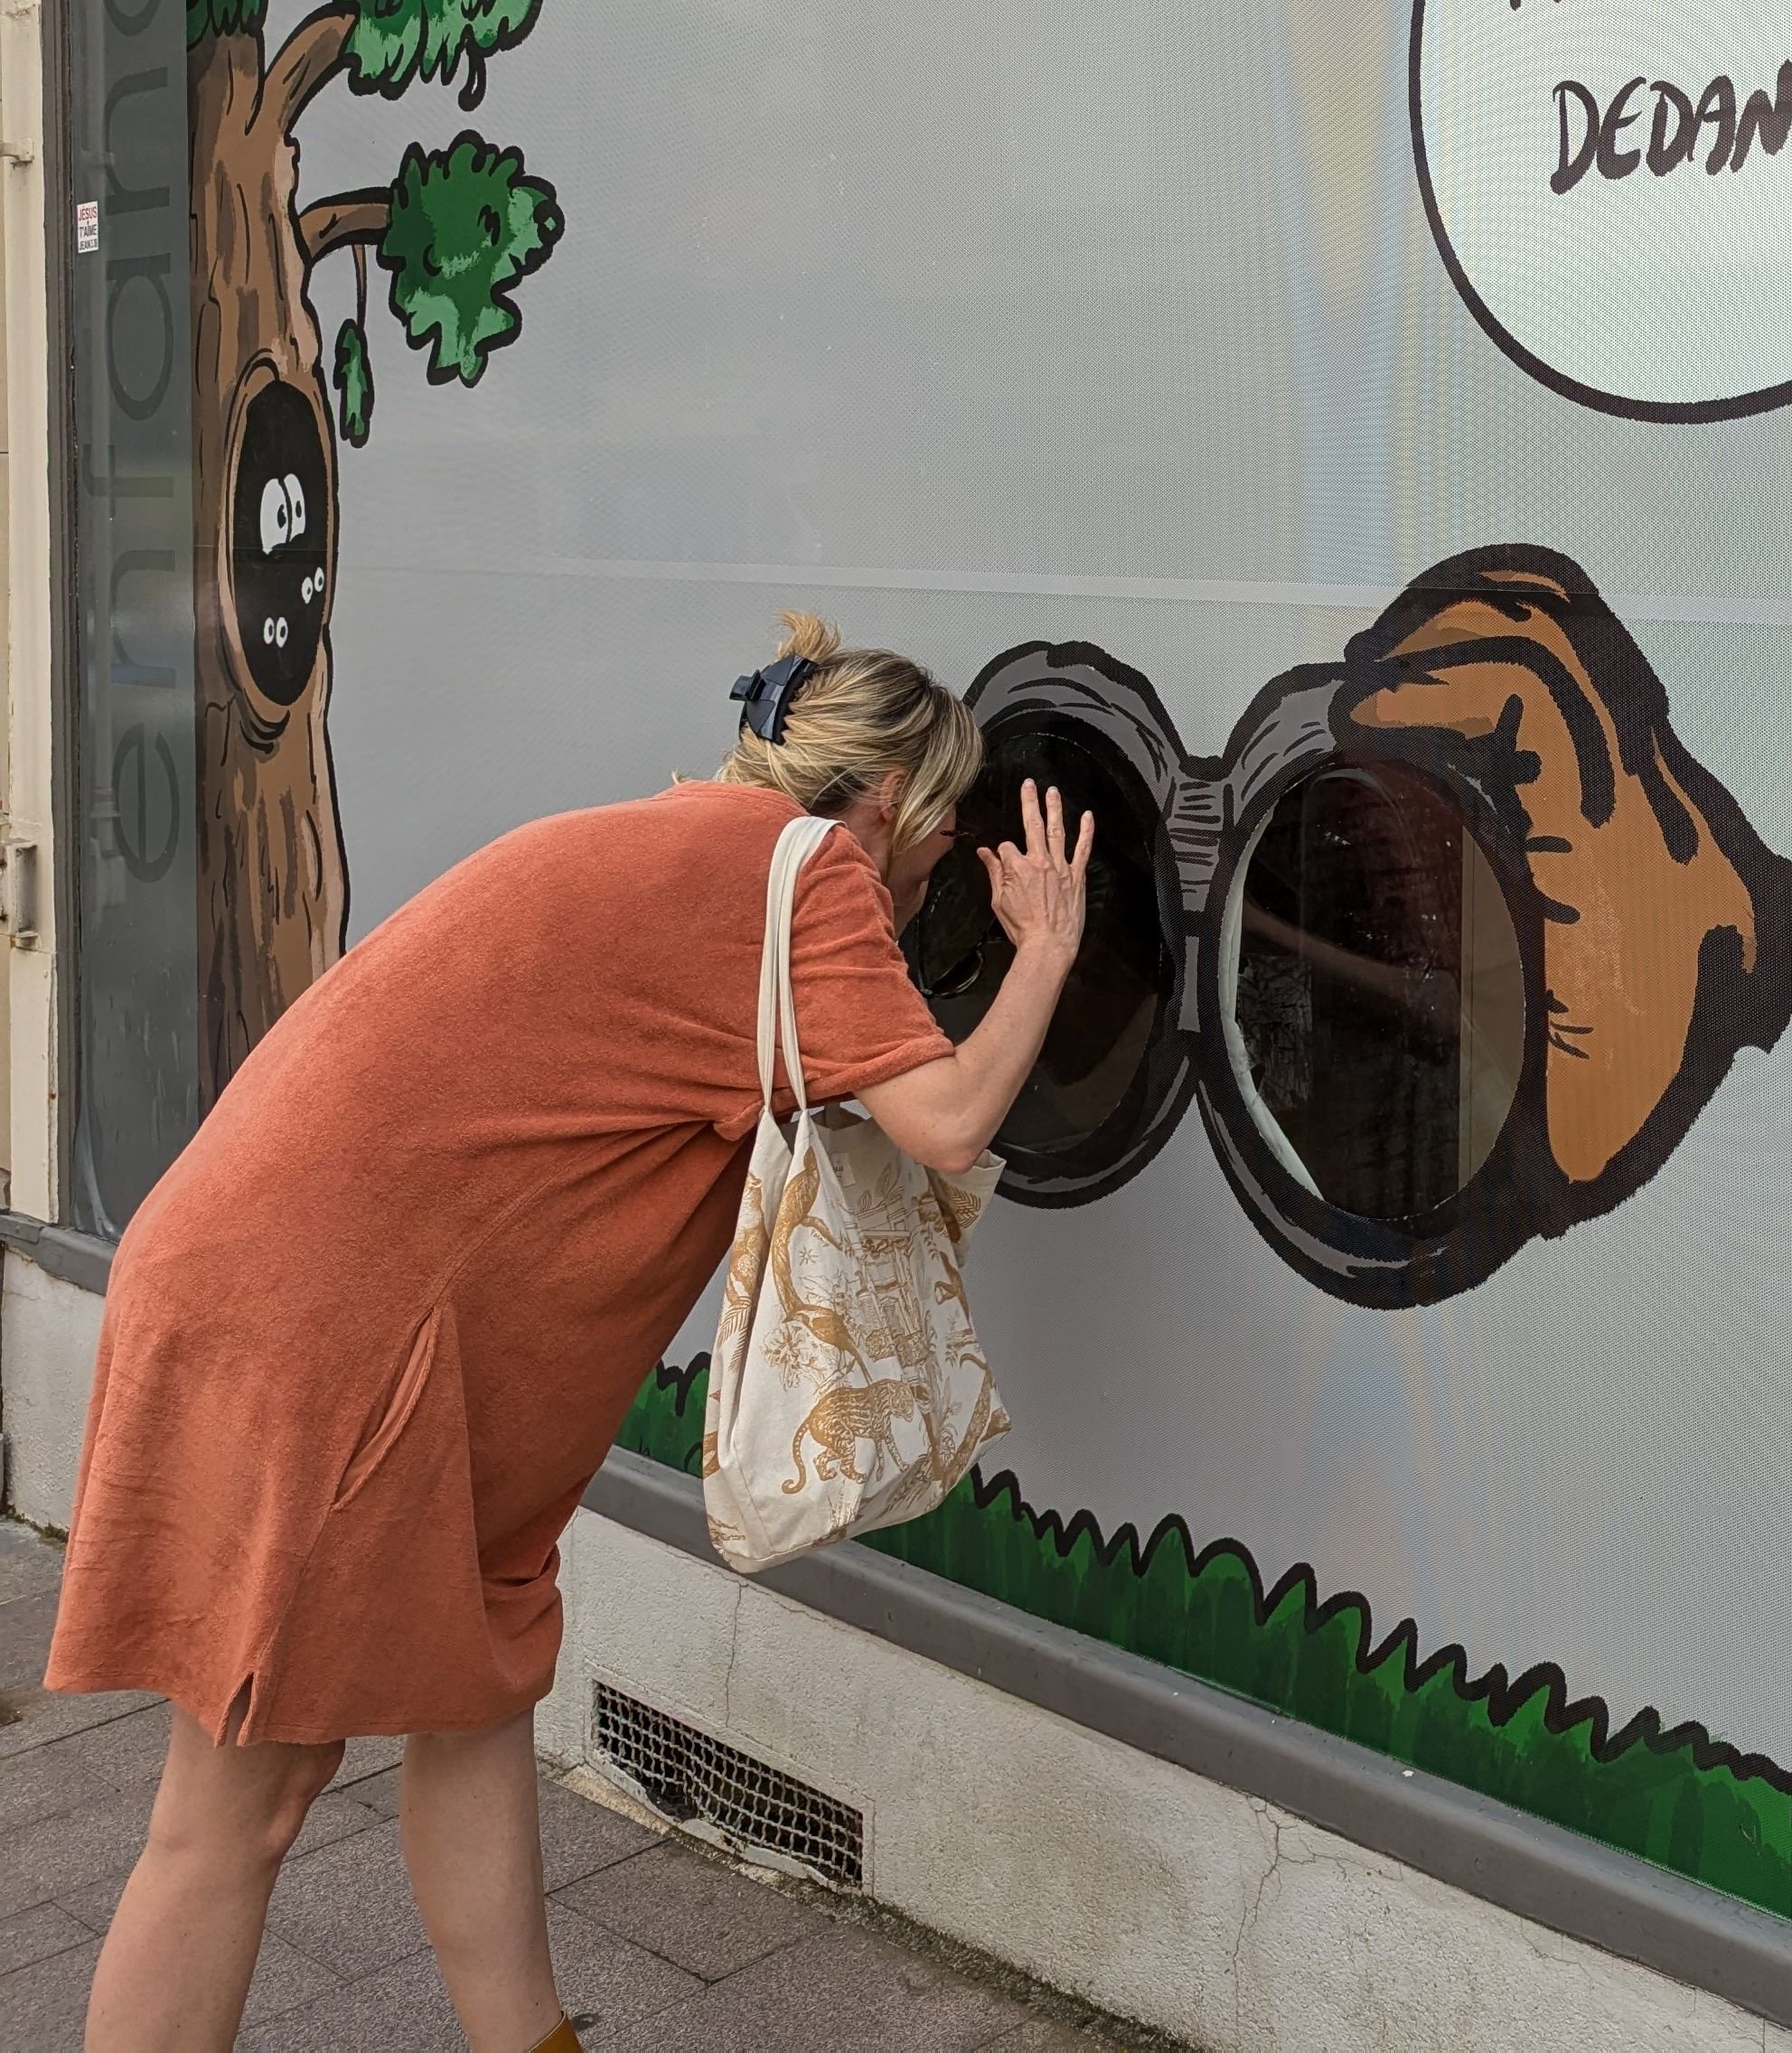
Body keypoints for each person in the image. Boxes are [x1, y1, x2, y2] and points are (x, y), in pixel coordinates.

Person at [46, 614, 1093, 2053]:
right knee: (238, 1808)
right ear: (892, 809)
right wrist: (1047, 950)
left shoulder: (693, 845)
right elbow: (952, 1121)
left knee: (473, 1695)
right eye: (935, 855)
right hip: (326, 1344)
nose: (925, 896)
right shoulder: (803, 881)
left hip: (314, 1306)